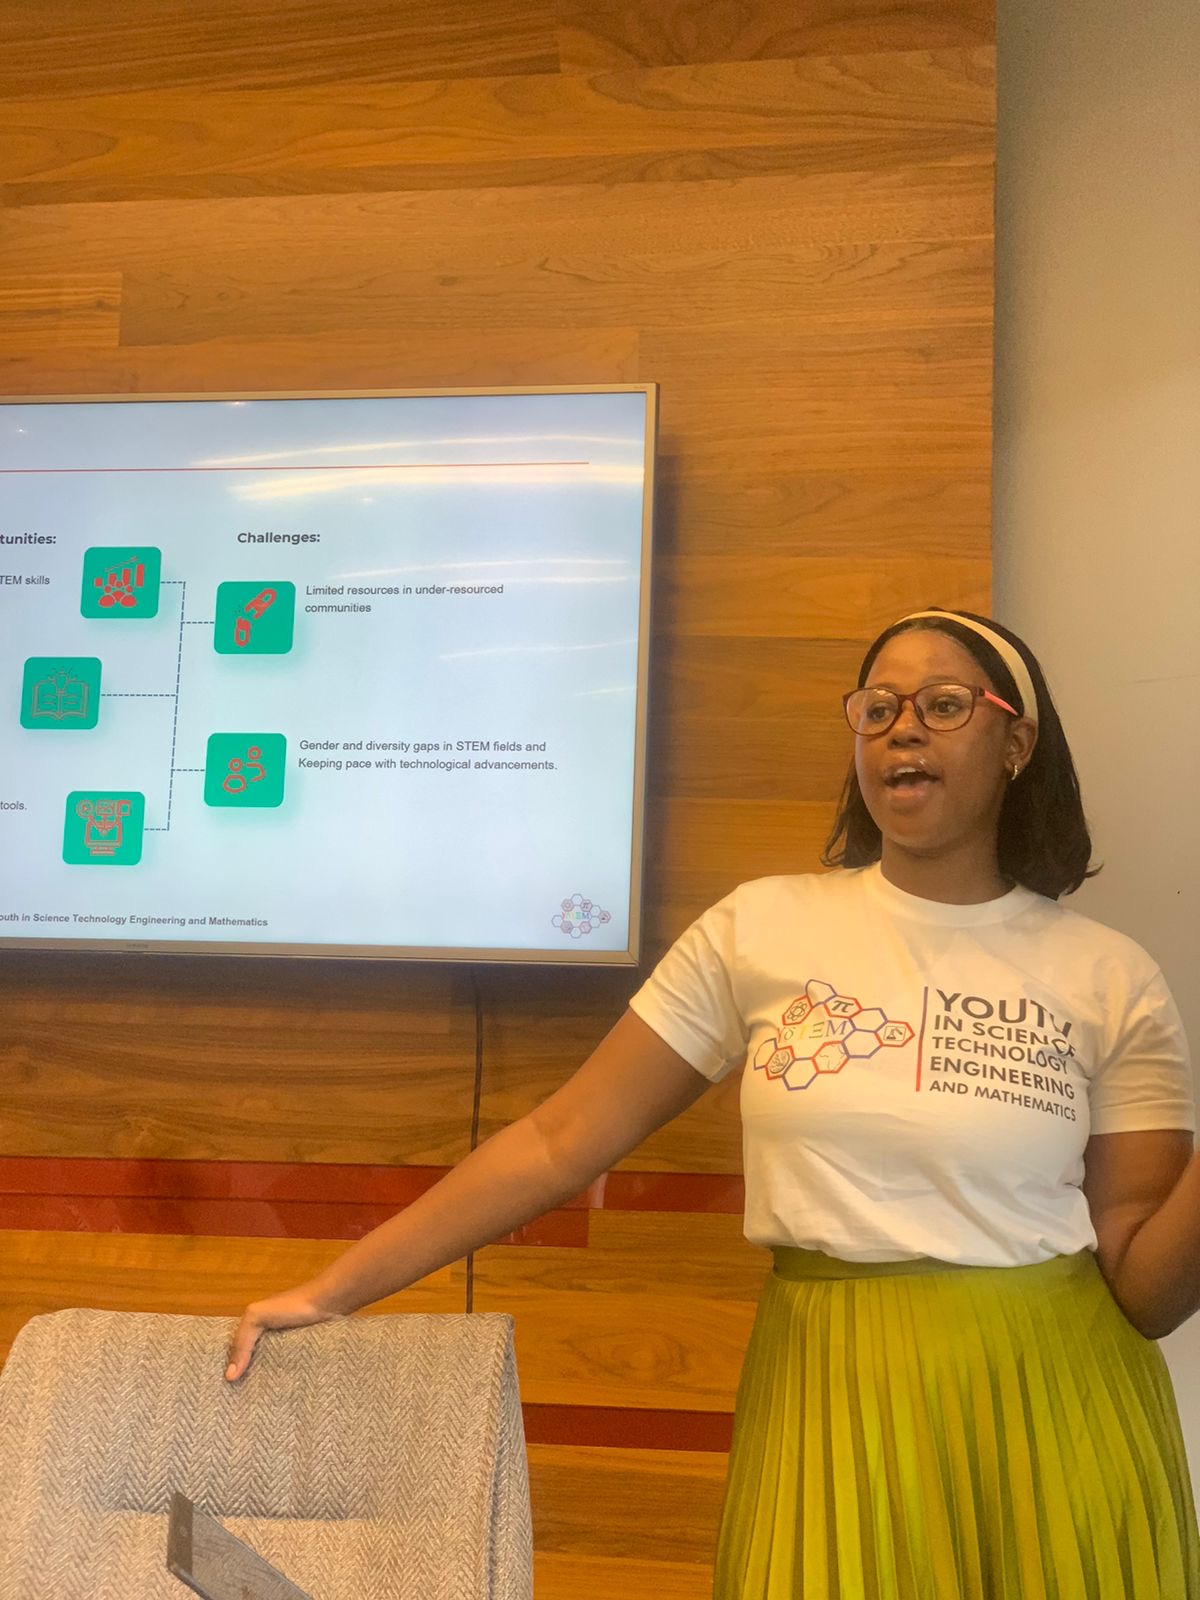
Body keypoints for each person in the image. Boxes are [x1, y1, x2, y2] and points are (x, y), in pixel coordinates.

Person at [225, 607, 1200, 1598]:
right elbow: (561, 1138)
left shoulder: (1108, 975)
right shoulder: (761, 927)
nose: (903, 728)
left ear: (1016, 743)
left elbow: (1149, 1290)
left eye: (944, 705)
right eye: (878, 708)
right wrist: (334, 1289)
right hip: (830, 1393)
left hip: (1054, 1409)